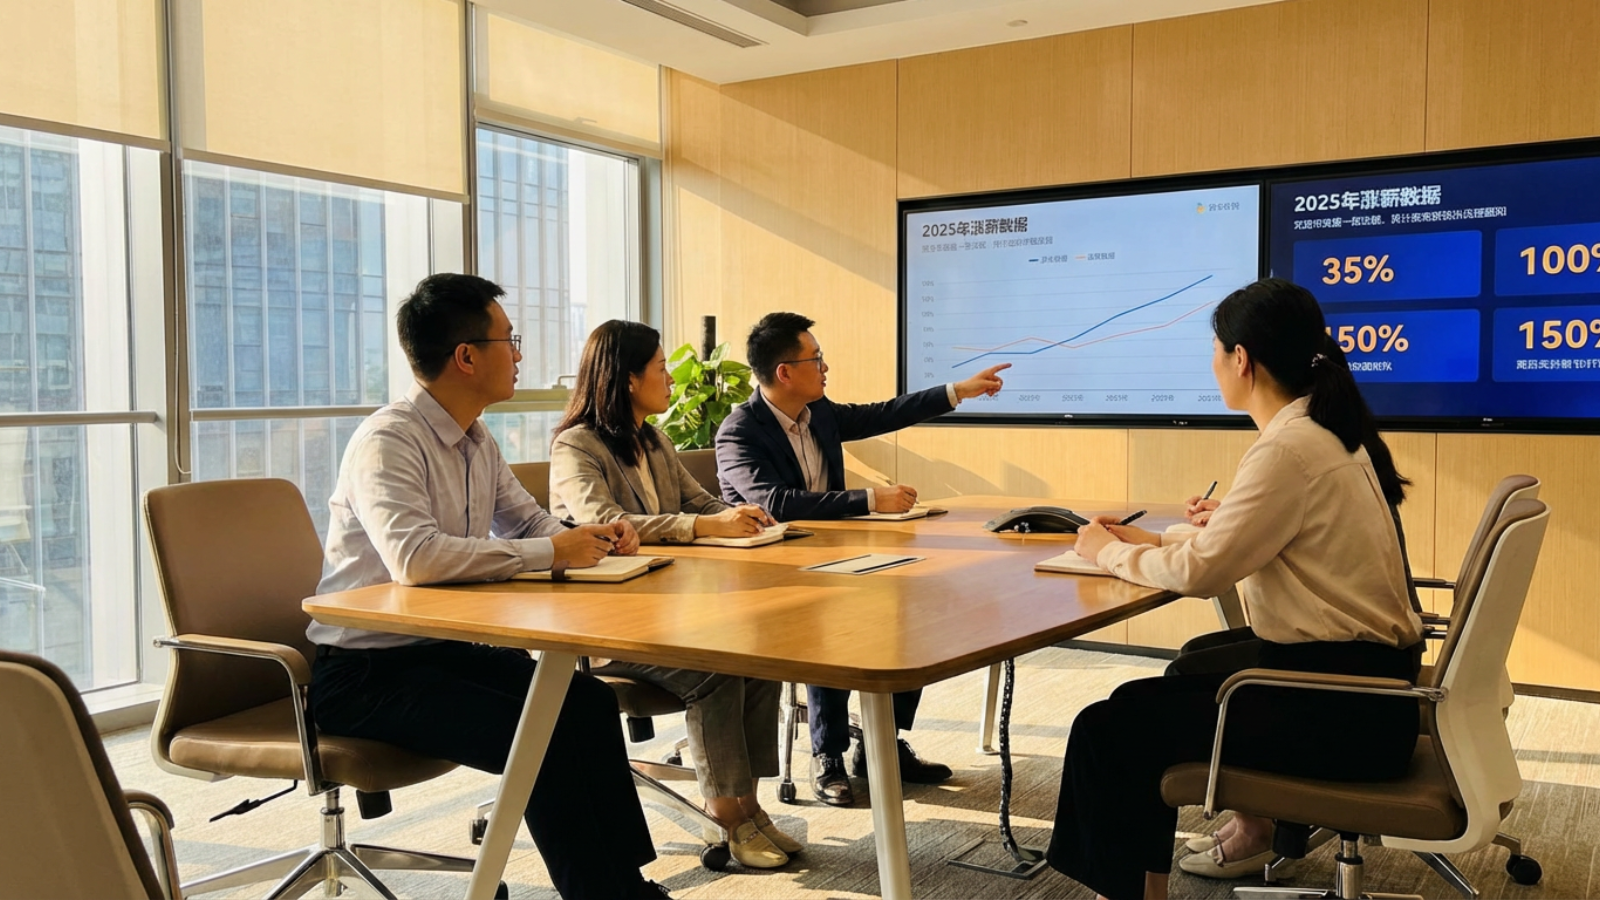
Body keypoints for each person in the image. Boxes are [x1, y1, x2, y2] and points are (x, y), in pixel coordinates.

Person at [1045, 278, 1425, 900]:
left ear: (1241, 358)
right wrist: (1153, 541)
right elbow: (1262, 539)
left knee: (1108, 730)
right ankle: (1257, 827)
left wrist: (1104, 552)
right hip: (1372, 692)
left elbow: (1202, 574)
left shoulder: (1288, 448)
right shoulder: (1324, 430)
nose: (1214, 363)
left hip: (1341, 711)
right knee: (1195, 662)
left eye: (1215, 351)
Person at [305, 274, 669, 900]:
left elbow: (527, 523)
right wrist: (552, 551)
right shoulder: (389, 440)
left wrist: (591, 539)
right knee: (539, 733)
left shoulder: (476, 436)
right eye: (510, 340)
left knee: (586, 704)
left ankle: (625, 883)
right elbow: (415, 559)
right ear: (466, 357)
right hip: (364, 674)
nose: (520, 356)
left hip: (439, 653)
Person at [714, 310, 1009, 806]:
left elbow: (882, 413)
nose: (825, 367)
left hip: (835, 557)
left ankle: (880, 742)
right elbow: (776, 503)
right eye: (816, 359)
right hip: (771, 574)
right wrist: (870, 500)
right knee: (834, 625)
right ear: (784, 372)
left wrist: (957, 391)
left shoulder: (819, 412)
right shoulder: (739, 430)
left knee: (912, 606)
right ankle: (827, 754)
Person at [547, 319, 799, 869]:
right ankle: (725, 815)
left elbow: (697, 501)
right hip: (607, 627)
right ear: (628, 379)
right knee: (715, 671)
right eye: (661, 368)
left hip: (669, 609)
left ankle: (749, 804)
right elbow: (606, 522)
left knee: (760, 657)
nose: (668, 379)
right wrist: (704, 526)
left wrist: (738, 516)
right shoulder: (575, 447)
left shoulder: (652, 438)